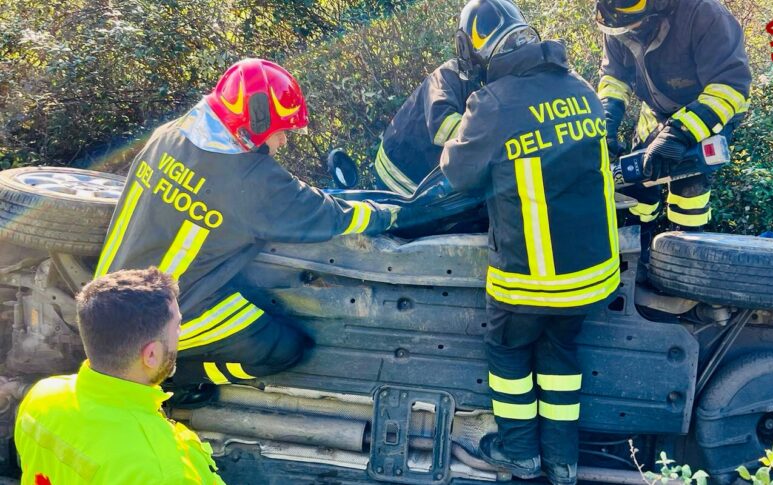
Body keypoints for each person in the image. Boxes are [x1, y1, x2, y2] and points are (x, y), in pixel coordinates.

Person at [93, 58, 397, 387]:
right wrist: (392, 213)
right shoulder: (254, 180)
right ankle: (174, 383)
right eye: (281, 131)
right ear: (257, 121)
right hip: (165, 318)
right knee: (285, 349)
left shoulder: (168, 135)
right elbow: (332, 216)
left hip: (108, 297)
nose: (283, 141)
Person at [441, 1, 620, 484]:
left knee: (507, 351)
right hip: (592, 278)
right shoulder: (581, 90)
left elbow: (457, 175)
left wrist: (454, 113)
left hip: (530, 281)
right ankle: (563, 462)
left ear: (475, 49)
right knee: (560, 357)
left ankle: (519, 451)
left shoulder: (493, 103)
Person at [15, 268, 225, 484]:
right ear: (151, 355)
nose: (179, 334)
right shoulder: (165, 473)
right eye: (177, 326)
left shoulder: (42, 395)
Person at [596, 0, 751, 281]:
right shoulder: (615, 16)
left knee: (687, 186)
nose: (628, 32)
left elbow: (730, 85)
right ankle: (637, 259)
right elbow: (614, 79)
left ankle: (685, 266)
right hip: (655, 112)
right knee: (635, 185)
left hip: (707, 112)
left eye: (634, 26)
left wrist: (679, 133)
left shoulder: (705, 15)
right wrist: (604, 122)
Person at [372, 59, 478, 195]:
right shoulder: (448, 75)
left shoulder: (476, 80)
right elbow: (442, 125)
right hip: (400, 173)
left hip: (420, 177)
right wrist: (486, 137)